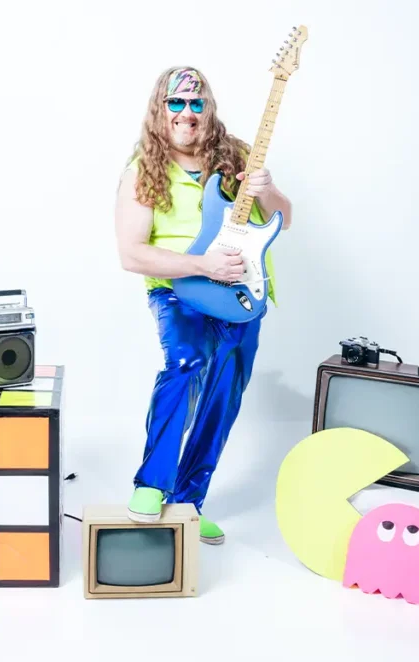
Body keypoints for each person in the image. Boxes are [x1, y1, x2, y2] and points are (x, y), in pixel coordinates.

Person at [114, 66, 294, 544]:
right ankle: (152, 483)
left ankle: (189, 503)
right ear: (160, 108)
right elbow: (132, 253)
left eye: (197, 103)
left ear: (208, 108)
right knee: (187, 361)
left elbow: (284, 218)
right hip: (179, 290)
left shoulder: (236, 155)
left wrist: (267, 190)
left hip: (241, 292)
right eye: (176, 102)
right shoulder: (143, 169)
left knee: (224, 393)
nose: (187, 112)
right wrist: (202, 265)